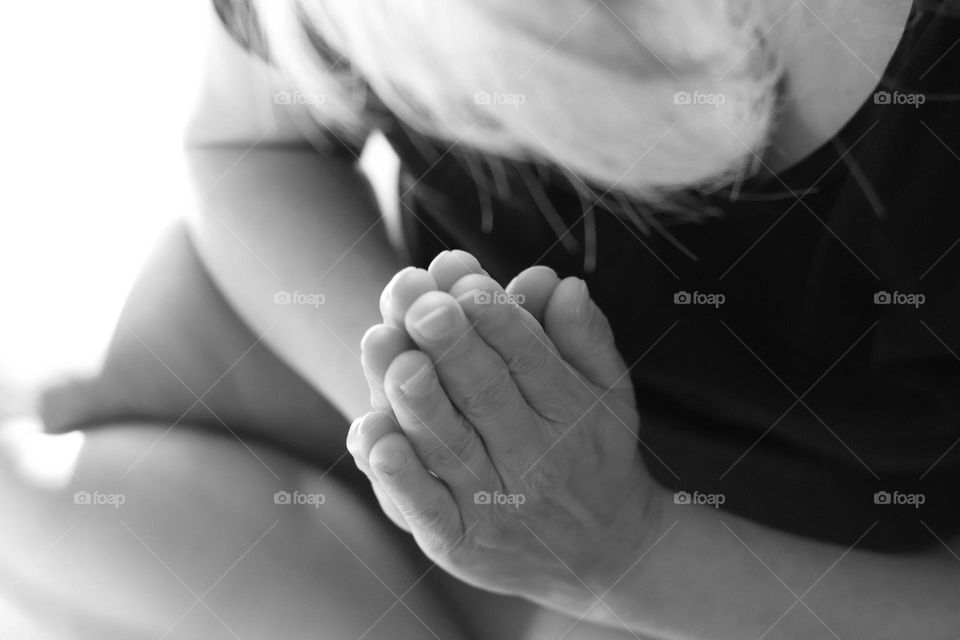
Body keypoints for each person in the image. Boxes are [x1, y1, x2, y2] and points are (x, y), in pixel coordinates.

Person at [4, 0, 959, 637]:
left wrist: (626, 556)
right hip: (364, 350)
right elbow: (248, 139)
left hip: (789, 557)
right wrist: (433, 428)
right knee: (48, 497)